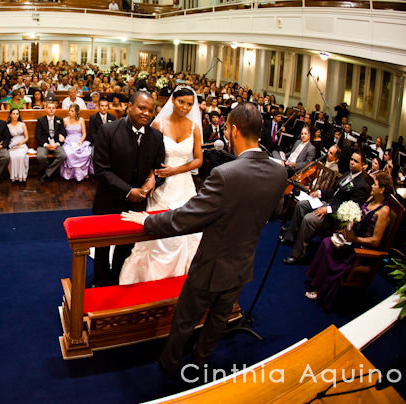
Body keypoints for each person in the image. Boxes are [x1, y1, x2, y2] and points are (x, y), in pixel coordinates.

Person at [122, 103, 287, 380]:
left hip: (212, 264)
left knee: (186, 318)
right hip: (243, 262)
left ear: (233, 130)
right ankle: (200, 360)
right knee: (219, 319)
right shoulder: (279, 172)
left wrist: (148, 221)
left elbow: (186, 218)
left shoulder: (225, 175)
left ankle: (169, 363)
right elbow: (275, 211)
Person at [119, 87, 204, 285]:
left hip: (184, 185)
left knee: (187, 232)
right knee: (158, 231)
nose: (185, 107)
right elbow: (150, 156)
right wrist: (151, 178)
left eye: (189, 104)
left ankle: (182, 277)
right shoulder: (158, 124)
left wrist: (176, 170)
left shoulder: (194, 127)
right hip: (162, 184)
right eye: (181, 102)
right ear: (173, 101)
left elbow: (198, 160)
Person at [92, 91, 165, 286]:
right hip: (108, 199)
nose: (147, 113)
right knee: (102, 247)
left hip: (138, 202)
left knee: (126, 247)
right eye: (142, 108)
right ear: (129, 106)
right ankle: (100, 282)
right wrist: (127, 191)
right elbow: (100, 169)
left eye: (151, 110)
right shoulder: (108, 131)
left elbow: (159, 169)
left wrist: (153, 182)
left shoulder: (156, 137)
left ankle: (117, 279)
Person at [305, 172, 393, 308]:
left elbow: (375, 241)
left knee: (331, 251)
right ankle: (317, 282)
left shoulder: (384, 211)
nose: (372, 186)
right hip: (353, 239)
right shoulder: (371, 198)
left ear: (382, 189)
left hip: (362, 251)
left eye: (375, 184)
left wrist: (354, 238)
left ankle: (322, 292)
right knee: (326, 242)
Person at [281, 151, 368, 264]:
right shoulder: (347, 173)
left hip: (334, 215)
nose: (352, 162)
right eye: (351, 159)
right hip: (326, 203)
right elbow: (334, 192)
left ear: (364, 165)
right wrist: (320, 192)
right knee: (301, 205)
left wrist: (328, 209)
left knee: (309, 219)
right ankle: (290, 237)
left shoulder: (361, 185)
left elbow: (350, 208)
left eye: (356, 161)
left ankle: (297, 254)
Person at [35, 101, 68, 183]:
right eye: (49, 108)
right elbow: (38, 135)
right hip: (44, 144)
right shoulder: (40, 120)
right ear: (46, 109)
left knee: (63, 155)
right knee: (40, 156)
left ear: (55, 109)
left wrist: (57, 144)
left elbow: (63, 133)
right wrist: (46, 145)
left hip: (56, 143)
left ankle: (47, 173)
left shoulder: (59, 120)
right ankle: (50, 172)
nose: (51, 110)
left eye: (53, 108)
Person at [60, 104, 93, 181]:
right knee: (69, 153)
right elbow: (61, 132)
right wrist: (61, 137)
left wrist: (81, 141)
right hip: (69, 141)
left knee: (86, 153)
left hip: (79, 140)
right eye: (69, 110)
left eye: (72, 111)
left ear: (76, 112)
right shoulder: (65, 120)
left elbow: (84, 133)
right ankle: (71, 174)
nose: (69, 112)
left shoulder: (81, 120)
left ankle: (82, 174)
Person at [6, 109, 29, 183]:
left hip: (22, 144)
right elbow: (6, 138)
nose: (15, 115)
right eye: (13, 114)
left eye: (17, 114)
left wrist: (21, 142)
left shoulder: (22, 124)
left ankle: (22, 176)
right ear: (10, 115)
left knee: (21, 156)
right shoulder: (7, 126)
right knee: (12, 157)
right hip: (12, 145)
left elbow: (27, 137)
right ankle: (14, 176)